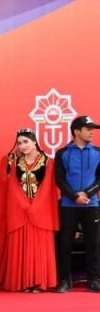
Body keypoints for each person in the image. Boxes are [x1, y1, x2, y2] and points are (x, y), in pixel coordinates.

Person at [0, 130, 58, 292]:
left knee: (38, 247)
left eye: (25, 142)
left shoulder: (48, 161)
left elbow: (48, 188)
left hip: (41, 210)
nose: (22, 146)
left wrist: (36, 206)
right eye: (19, 143)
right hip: (19, 210)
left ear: (34, 142)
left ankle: (38, 282)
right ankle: (23, 282)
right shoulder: (14, 161)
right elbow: (9, 185)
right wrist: (23, 203)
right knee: (21, 247)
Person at [54, 115, 100, 292]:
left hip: (92, 204)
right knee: (65, 243)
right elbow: (59, 179)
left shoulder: (98, 152)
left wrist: (86, 194)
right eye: (88, 129)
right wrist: (74, 197)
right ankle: (65, 281)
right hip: (68, 205)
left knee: (94, 243)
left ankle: (93, 280)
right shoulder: (62, 153)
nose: (92, 132)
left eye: (93, 129)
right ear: (76, 131)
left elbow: (99, 179)